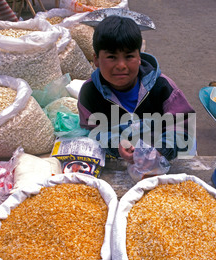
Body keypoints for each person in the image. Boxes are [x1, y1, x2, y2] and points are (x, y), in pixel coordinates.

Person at [77, 15, 196, 164]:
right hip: (118, 162)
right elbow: (92, 131)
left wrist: (162, 149)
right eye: (112, 57)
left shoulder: (162, 87)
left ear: (139, 57)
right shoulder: (90, 93)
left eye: (129, 56)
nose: (121, 65)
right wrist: (117, 144)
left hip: (163, 161)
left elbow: (184, 128)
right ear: (96, 60)